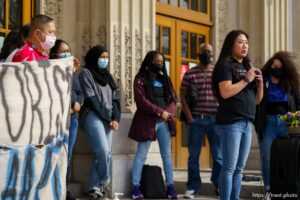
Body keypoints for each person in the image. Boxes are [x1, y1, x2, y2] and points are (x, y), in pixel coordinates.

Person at [211, 29, 263, 200]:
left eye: (246, 42)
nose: (244, 45)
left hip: (248, 122)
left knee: (240, 168)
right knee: (229, 167)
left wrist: (260, 84)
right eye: (240, 42)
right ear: (231, 44)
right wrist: (246, 80)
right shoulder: (226, 64)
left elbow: (256, 100)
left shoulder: (247, 66)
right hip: (231, 122)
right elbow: (225, 92)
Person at [128, 51, 178, 200]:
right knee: (141, 154)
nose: (159, 64)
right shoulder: (140, 78)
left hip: (164, 122)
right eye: (156, 61)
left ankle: (170, 187)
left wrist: (167, 113)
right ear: (149, 62)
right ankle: (135, 188)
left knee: (167, 156)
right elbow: (141, 101)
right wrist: (159, 112)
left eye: (161, 61)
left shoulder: (166, 79)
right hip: (148, 121)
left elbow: (174, 100)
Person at [78, 45, 121, 199]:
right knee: (103, 150)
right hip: (92, 115)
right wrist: (108, 119)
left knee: (103, 153)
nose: (104, 60)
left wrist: (116, 119)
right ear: (94, 57)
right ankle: (105, 179)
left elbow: (116, 100)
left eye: (106, 57)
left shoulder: (109, 76)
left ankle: (94, 187)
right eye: (102, 57)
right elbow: (91, 99)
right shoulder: (86, 73)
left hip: (108, 118)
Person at [181, 43, 222, 199]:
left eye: (209, 52)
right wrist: (190, 118)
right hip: (196, 120)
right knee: (193, 157)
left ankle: (218, 184)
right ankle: (192, 187)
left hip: (215, 120)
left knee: (218, 156)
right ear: (198, 54)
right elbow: (182, 96)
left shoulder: (217, 73)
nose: (207, 54)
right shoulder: (190, 73)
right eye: (204, 52)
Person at [254, 51, 300, 192]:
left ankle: (290, 187)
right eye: (275, 66)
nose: (277, 69)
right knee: (267, 158)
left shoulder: (291, 84)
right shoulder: (263, 81)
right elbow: (256, 102)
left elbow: (298, 104)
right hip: (268, 124)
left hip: (287, 124)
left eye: (280, 66)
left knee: (291, 157)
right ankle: (268, 188)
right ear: (269, 66)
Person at [50, 39, 84, 200]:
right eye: (63, 51)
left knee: (67, 155)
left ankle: (64, 188)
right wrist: (72, 103)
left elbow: (79, 91)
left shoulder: (72, 72)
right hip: (57, 119)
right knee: (55, 155)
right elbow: (60, 90)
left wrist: (78, 103)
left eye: (69, 51)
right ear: (55, 54)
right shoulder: (51, 69)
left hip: (73, 119)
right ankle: (54, 189)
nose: (67, 54)